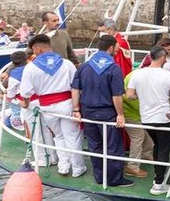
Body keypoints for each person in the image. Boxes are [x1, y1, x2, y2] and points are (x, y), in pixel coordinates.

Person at [19, 34, 86, 177]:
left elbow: (26, 92)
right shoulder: (67, 63)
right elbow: (76, 86)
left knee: (59, 136)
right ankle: (78, 168)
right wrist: (76, 107)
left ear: (37, 49)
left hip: (47, 107)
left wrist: (25, 104)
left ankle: (64, 166)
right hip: (67, 104)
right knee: (72, 136)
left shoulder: (30, 68)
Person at [71, 35, 131, 188]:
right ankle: (114, 179)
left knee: (95, 145)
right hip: (107, 113)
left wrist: (76, 109)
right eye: (116, 47)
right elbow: (116, 95)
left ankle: (99, 176)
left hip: (88, 112)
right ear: (111, 47)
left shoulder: (84, 66)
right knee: (113, 146)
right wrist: (120, 114)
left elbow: (75, 89)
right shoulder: (113, 68)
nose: (118, 49)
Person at [125, 47, 170, 195]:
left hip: (146, 118)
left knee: (156, 146)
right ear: (162, 58)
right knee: (163, 150)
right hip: (164, 118)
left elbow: (129, 95)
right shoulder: (168, 76)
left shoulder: (137, 74)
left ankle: (158, 177)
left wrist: (141, 98)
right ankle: (158, 184)